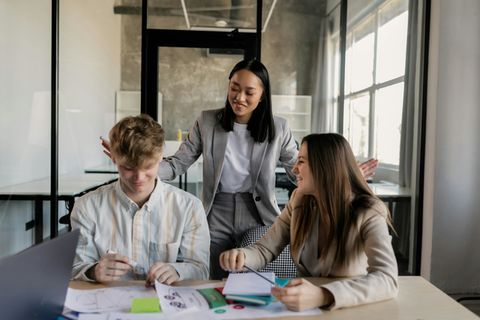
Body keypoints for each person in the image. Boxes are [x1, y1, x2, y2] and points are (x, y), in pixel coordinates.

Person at [102, 59, 378, 280]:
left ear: (262, 95)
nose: (239, 97)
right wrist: (138, 163)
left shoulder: (278, 127)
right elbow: (177, 164)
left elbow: (297, 169)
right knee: (212, 275)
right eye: (234, 87)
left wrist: (342, 173)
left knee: (253, 278)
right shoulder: (207, 121)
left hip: (259, 213)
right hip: (216, 209)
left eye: (249, 91)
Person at [219, 133, 398, 311]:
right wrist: (242, 256)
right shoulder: (299, 200)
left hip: (348, 309)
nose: (294, 168)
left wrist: (323, 295)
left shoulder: (369, 211)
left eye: (301, 161)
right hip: (302, 310)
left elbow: (387, 278)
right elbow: (266, 249)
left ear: (325, 167)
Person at [71, 114, 210, 285]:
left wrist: (177, 271)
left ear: (160, 156)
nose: (139, 177)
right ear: (113, 157)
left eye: (148, 167)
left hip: (166, 306)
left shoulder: (189, 208)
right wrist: (93, 271)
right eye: (128, 168)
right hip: (108, 306)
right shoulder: (86, 207)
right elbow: (75, 268)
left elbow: (201, 269)